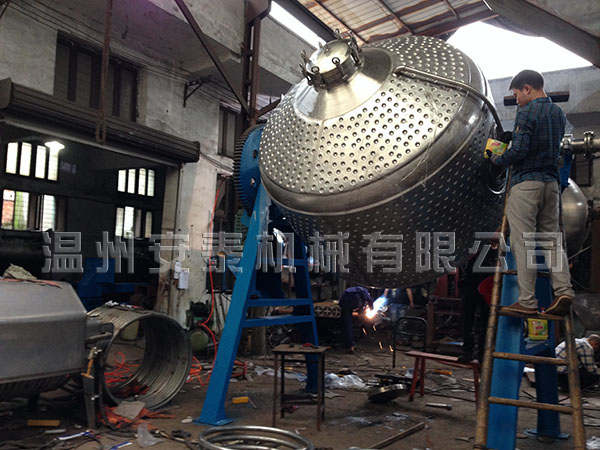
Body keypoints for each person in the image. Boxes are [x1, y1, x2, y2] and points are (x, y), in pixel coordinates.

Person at [489, 69, 574, 317]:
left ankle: (527, 301)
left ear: (527, 88)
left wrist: (496, 159)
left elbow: (519, 151)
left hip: (526, 184)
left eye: (517, 94)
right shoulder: (558, 114)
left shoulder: (527, 112)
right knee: (551, 240)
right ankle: (564, 291)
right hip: (551, 185)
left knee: (523, 242)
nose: (517, 100)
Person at [457, 239, 498, 363]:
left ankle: (482, 353)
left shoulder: (500, 249)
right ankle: (467, 352)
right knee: (467, 319)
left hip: (488, 287)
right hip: (470, 284)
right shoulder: (476, 244)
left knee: (486, 321)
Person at [338, 285, 373, 353]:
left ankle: (349, 345)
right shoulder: (364, 290)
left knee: (346, 324)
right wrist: (371, 308)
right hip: (349, 302)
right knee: (348, 325)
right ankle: (350, 345)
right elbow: (369, 300)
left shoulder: (353, 289)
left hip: (344, 302)